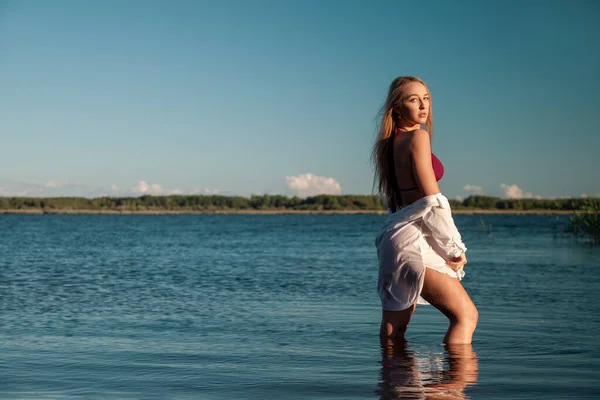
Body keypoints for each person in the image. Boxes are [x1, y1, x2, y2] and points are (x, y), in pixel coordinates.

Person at [371, 76, 478, 344]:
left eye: (426, 98)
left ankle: (392, 384)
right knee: (466, 316)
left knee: (393, 334)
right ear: (396, 107)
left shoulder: (388, 145)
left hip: (394, 241)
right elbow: (433, 202)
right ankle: (454, 385)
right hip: (413, 242)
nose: (423, 106)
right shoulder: (418, 137)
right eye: (413, 99)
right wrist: (455, 247)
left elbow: (397, 204)